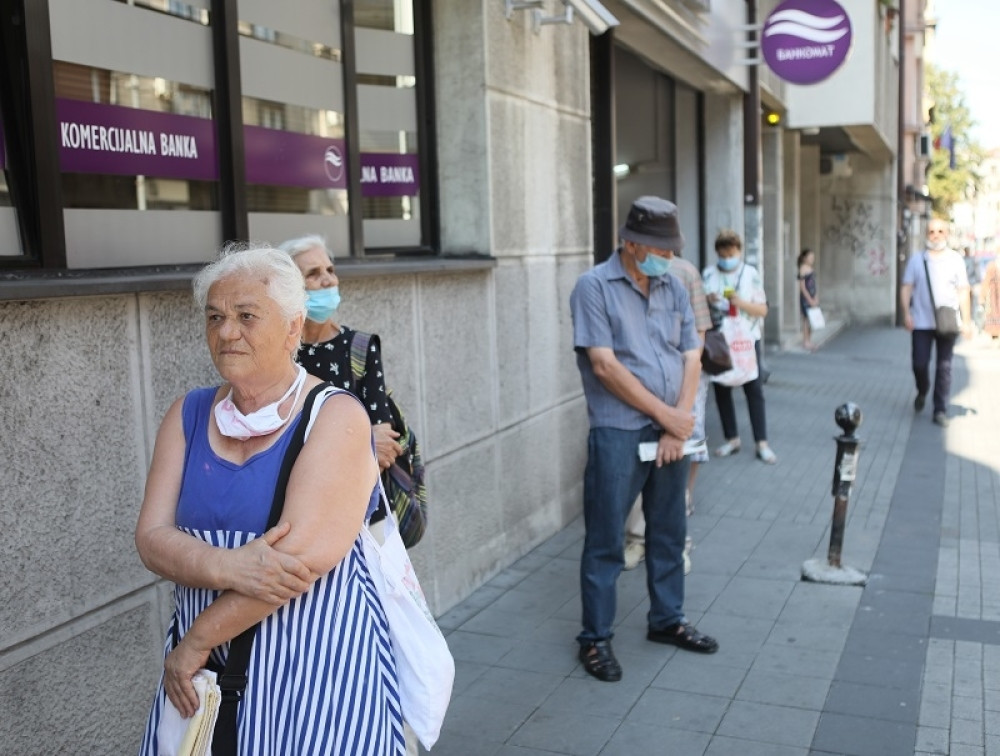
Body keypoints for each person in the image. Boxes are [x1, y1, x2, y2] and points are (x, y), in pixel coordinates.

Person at [136, 246, 404, 754]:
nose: (226, 332)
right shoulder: (187, 415)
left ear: (292, 327)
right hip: (207, 682)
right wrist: (228, 567)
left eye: (246, 316)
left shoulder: (335, 416)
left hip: (317, 675)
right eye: (215, 317)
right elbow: (150, 539)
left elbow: (296, 563)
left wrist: (194, 643)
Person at [569, 196, 719, 683]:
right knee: (607, 540)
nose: (668, 259)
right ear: (630, 243)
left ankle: (667, 619)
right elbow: (605, 365)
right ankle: (595, 639)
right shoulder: (593, 287)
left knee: (669, 529)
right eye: (660, 249)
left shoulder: (673, 287)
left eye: (672, 250)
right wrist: (667, 418)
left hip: (670, 424)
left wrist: (680, 419)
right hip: (617, 429)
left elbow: (692, 355)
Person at [279, 234, 402, 477]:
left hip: (361, 503)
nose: (328, 280)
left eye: (330, 270)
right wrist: (360, 447)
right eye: (313, 273)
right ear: (289, 289)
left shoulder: (359, 346)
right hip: (296, 503)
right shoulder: (278, 353)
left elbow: (383, 446)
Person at [623, 253, 712, 574]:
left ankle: (677, 544)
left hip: (682, 385)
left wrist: (682, 405)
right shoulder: (620, 274)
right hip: (640, 386)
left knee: (678, 464)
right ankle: (636, 538)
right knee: (639, 458)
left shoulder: (685, 273)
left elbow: (699, 337)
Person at [703, 230, 776, 464]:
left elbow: (763, 309)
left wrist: (740, 302)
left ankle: (761, 442)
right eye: (723, 253)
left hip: (746, 340)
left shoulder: (750, 274)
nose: (727, 258)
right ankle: (731, 438)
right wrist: (709, 300)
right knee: (722, 389)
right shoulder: (709, 274)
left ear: (739, 251)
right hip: (720, 341)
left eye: (731, 253)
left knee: (753, 390)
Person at [900, 218, 972, 427]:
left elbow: (963, 290)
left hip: (947, 322)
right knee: (919, 363)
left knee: (945, 366)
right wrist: (906, 313)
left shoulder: (955, 260)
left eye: (941, 231)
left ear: (947, 234)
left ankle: (940, 409)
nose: (936, 235)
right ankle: (923, 390)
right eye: (932, 231)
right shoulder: (917, 260)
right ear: (926, 234)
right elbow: (906, 287)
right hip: (921, 322)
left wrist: (966, 322)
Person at [797, 248, 819, 351]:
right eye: (810, 257)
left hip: (812, 295)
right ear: (805, 258)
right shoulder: (802, 268)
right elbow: (802, 287)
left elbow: (814, 284)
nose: (812, 259)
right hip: (806, 298)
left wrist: (816, 297)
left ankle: (809, 340)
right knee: (806, 320)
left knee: (812, 319)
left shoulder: (810, 268)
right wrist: (809, 299)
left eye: (813, 257)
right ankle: (805, 341)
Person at [983, 256, 1000, 340]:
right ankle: (995, 332)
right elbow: (986, 281)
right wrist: (983, 296)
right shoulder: (992, 266)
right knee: (994, 312)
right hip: (993, 295)